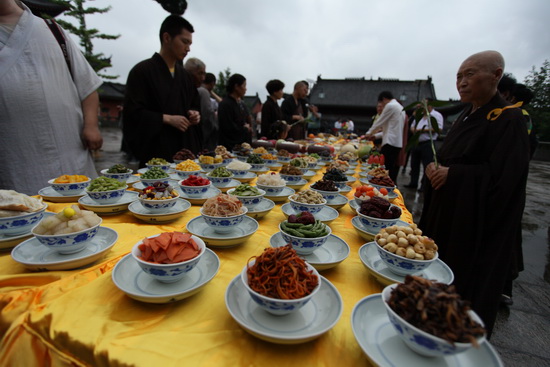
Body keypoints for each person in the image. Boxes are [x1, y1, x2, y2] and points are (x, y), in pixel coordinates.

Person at [419, 50, 529, 336]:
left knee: (462, 289)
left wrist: (454, 175)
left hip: (472, 225)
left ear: (496, 75)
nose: (462, 82)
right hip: (448, 212)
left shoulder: (508, 119)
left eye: (470, 74)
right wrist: (435, 167)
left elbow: (505, 181)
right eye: (458, 76)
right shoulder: (468, 115)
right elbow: (453, 158)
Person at [0, 0, 102, 195]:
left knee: (83, 216)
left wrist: (91, 125)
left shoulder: (53, 31)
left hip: (72, 152)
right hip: (16, 163)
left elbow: (87, 86)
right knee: (25, 212)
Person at [123, 15, 201, 167]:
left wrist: (194, 114)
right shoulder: (142, 71)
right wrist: (166, 119)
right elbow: (132, 114)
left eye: (190, 43)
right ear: (167, 38)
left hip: (184, 153)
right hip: (156, 151)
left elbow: (194, 103)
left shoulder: (185, 76)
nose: (188, 48)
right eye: (184, 42)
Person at [365, 91, 406, 183]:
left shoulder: (391, 106)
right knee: (390, 170)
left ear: (384, 99)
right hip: (396, 143)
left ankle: (384, 191)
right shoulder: (400, 107)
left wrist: (368, 133)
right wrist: (375, 136)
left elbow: (380, 121)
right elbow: (390, 130)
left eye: (381, 103)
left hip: (390, 143)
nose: (381, 106)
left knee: (383, 171)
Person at [404, 100, 444, 189]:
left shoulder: (436, 115)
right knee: (414, 164)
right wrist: (415, 130)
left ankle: (423, 185)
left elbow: (439, 129)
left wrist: (423, 130)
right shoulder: (420, 115)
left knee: (427, 165)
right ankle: (413, 182)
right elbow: (412, 127)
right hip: (417, 142)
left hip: (428, 143)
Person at [218, 73, 252, 150]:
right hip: (229, 147)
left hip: (242, 146)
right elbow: (228, 128)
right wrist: (245, 129)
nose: (245, 89)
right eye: (244, 86)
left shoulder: (240, 104)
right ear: (236, 86)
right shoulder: (225, 104)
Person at [197, 72, 219, 151]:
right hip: (206, 133)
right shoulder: (204, 92)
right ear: (212, 83)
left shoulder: (198, 90)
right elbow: (207, 113)